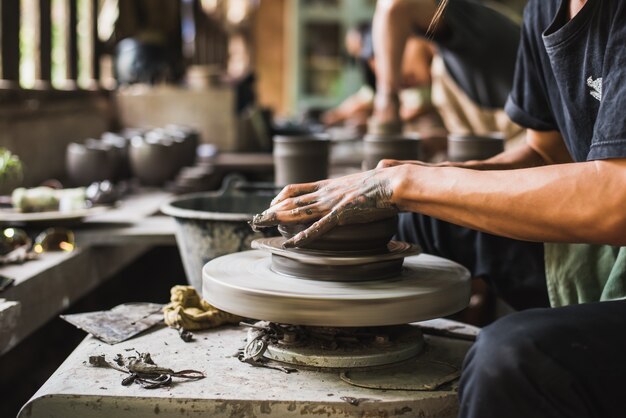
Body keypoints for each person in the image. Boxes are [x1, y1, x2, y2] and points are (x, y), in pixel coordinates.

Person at [253, 0, 626, 416]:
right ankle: (351, 357)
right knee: (410, 220)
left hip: (612, 225)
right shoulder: (547, 8)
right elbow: (546, 152)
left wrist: (409, 180)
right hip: (607, 241)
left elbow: (617, 201)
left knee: (510, 361)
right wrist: (407, 181)